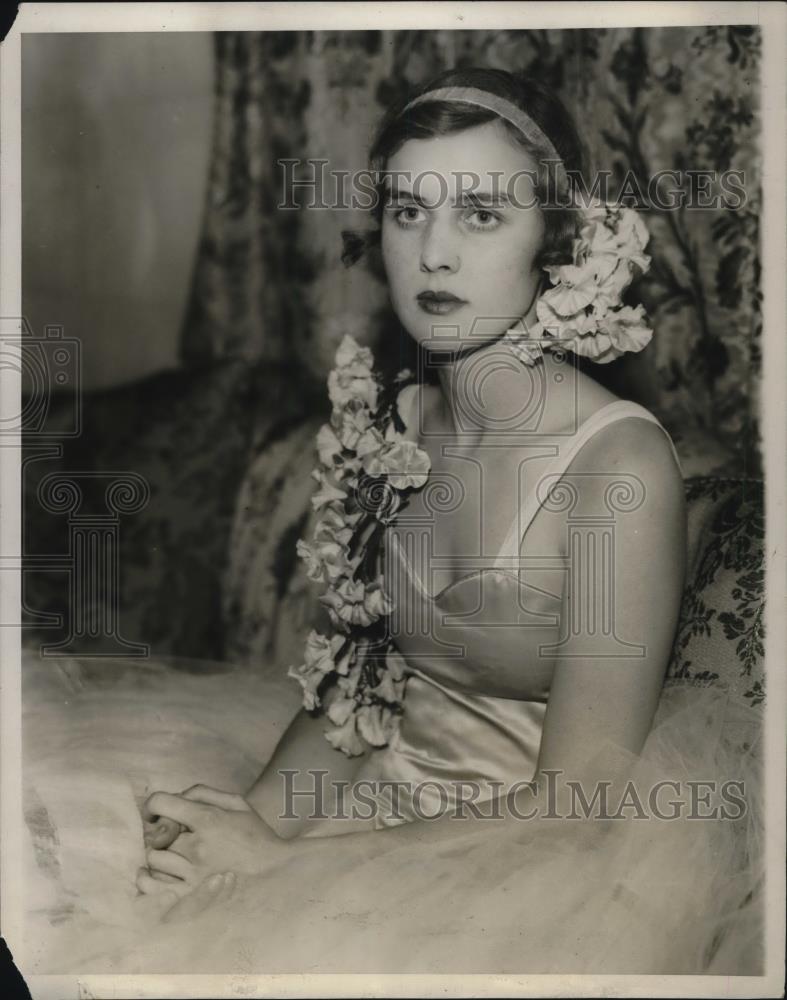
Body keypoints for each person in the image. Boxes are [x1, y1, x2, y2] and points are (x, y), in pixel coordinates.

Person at [126, 68, 761, 973]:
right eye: (405, 210)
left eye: (481, 213)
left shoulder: (618, 465)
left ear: (555, 236)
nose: (432, 254)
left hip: (527, 874)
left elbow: (576, 802)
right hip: (370, 810)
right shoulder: (391, 424)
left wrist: (286, 870)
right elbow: (358, 690)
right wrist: (252, 824)